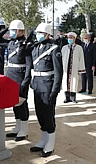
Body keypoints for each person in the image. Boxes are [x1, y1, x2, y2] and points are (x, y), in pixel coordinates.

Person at [29, 23, 62, 157]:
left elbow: (59, 73)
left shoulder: (54, 49)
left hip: (48, 87)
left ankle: (50, 143)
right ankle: (43, 140)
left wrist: (55, 91)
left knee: (48, 116)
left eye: (41, 33)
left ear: (48, 34)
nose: (38, 35)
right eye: (37, 33)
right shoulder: (36, 47)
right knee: (40, 114)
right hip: (37, 86)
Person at [5, 20, 32, 141]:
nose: (11, 32)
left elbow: (28, 64)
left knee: (22, 103)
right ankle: (17, 126)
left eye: (13, 30)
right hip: (11, 75)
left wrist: (26, 80)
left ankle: (24, 129)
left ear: (20, 31)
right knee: (13, 102)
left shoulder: (26, 44)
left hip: (21, 76)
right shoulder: (11, 43)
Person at [61, 32, 85, 103]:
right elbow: (61, 58)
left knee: (74, 83)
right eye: (69, 37)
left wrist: (80, 69)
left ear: (74, 38)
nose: (69, 39)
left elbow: (81, 59)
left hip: (74, 68)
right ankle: (66, 97)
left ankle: (73, 98)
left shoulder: (79, 48)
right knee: (65, 83)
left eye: (71, 37)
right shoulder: (64, 48)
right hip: (65, 68)